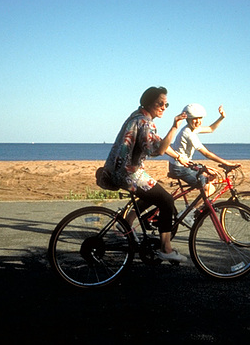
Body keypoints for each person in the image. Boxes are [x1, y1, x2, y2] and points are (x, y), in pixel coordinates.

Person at [102, 86, 188, 263]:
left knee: (153, 192)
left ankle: (127, 221)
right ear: (148, 103)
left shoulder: (137, 116)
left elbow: (157, 142)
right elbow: (158, 150)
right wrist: (174, 127)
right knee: (166, 200)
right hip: (128, 173)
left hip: (118, 170)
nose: (164, 107)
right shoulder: (145, 122)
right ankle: (166, 248)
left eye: (166, 104)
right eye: (160, 103)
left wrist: (179, 156)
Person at [168, 104, 240, 225]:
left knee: (212, 176)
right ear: (188, 119)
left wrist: (221, 117)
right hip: (179, 167)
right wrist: (227, 163)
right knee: (209, 188)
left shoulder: (192, 129)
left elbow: (211, 129)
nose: (198, 121)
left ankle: (195, 207)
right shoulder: (188, 133)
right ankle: (188, 213)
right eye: (194, 119)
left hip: (184, 164)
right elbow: (206, 153)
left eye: (200, 118)